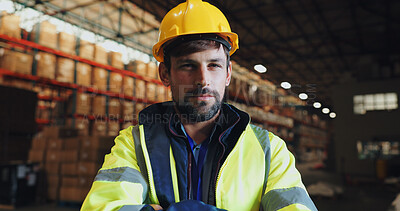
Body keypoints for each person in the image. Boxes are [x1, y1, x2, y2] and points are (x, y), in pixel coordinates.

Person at [81, 0, 317, 210]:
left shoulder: (269, 151)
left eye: (213, 65)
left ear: (227, 74)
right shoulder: (134, 146)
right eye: (187, 66)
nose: (203, 80)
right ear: (165, 73)